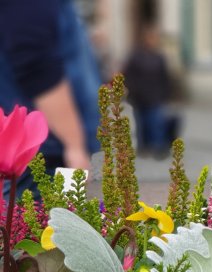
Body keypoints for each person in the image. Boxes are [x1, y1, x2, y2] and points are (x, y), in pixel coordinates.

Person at [0, 0, 101, 198]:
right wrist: (74, 145)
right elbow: (38, 69)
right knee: (49, 215)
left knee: (59, 213)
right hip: (44, 153)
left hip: (45, 151)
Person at [124, 24, 172, 160]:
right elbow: (128, 76)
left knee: (157, 123)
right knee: (142, 123)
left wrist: (166, 94)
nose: (153, 41)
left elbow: (165, 77)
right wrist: (132, 91)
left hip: (155, 96)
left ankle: (158, 147)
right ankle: (143, 146)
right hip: (139, 97)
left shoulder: (159, 57)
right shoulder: (136, 56)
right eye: (151, 38)